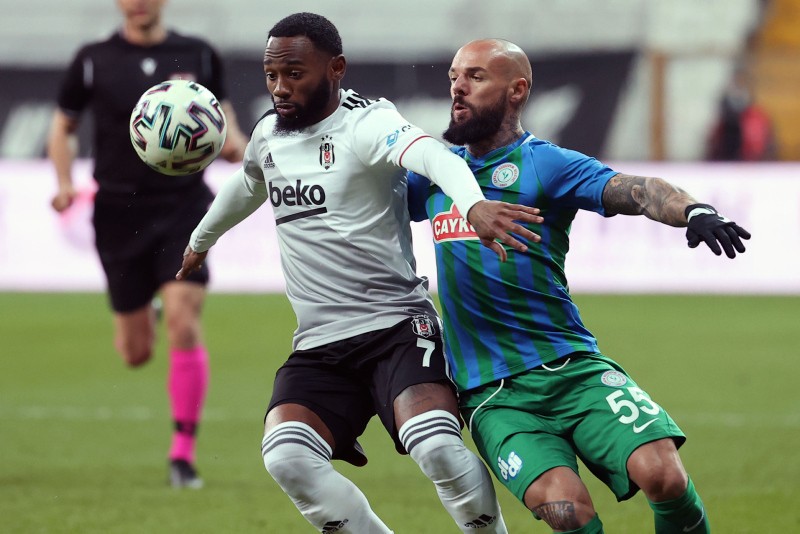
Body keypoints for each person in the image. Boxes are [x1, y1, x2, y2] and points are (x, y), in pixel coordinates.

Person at [176, 12, 547, 534]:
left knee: (437, 447)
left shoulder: (367, 124)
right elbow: (250, 182)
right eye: (271, 75)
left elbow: (434, 156)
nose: (280, 88)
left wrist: (473, 205)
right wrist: (200, 241)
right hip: (320, 343)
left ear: (336, 69)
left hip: (396, 329)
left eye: (294, 74)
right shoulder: (268, 134)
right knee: (287, 458)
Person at [407, 39, 752, 534]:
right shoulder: (435, 174)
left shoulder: (545, 164)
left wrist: (693, 210)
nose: (458, 88)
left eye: (476, 77)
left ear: (517, 90)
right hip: (493, 395)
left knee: (664, 475)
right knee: (568, 512)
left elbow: (637, 190)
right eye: (454, 77)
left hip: (572, 367)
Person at [47, 0, 248, 489]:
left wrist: (235, 146)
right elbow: (62, 126)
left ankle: (183, 455)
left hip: (183, 208)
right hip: (117, 214)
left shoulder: (198, 53)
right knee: (135, 353)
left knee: (184, 320)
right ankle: (149, 312)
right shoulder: (93, 59)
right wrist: (64, 182)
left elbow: (223, 118)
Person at [706, 64, 777, 161]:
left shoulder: (749, 99)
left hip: (745, 141)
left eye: (742, 79)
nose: (740, 81)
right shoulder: (726, 99)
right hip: (729, 138)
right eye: (737, 79)